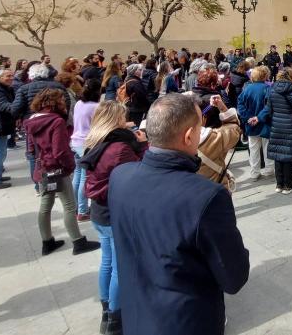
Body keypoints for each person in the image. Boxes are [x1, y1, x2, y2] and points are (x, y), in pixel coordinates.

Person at [109, 93, 250, 334]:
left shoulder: (120, 175)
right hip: (184, 321)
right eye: (199, 127)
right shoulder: (208, 196)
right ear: (188, 136)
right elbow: (233, 277)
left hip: (136, 315)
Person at [81, 101, 147, 333]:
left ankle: (107, 309)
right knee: (121, 266)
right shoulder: (120, 147)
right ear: (115, 120)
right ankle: (116, 319)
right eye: (122, 117)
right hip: (114, 212)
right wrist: (143, 145)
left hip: (99, 209)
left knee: (107, 261)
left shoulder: (94, 141)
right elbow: (139, 175)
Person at [24, 88, 100, 256]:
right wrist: (69, 166)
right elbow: (60, 150)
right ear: (55, 103)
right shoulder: (56, 121)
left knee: (45, 205)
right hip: (57, 167)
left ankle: (47, 241)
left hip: (42, 166)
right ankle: (78, 241)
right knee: (69, 205)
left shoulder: (31, 120)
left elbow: (30, 148)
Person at [265, 68, 292, 193]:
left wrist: (272, 122)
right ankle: (288, 185)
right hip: (291, 125)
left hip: (277, 125)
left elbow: (269, 109)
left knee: (278, 155)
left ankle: (279, 184)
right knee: (288, 155)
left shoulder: (272, 89)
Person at [71, 78, 101, 222]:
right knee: (84, 177)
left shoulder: (78, 103)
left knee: (77, 175)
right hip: (87, 143)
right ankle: (82, 210)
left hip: (76, 141)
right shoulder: (96, 107)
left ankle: (76, 207)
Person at [238, 65, 273, 181]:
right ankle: (269, 170)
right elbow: (269, 106)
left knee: (253, 149)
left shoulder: (246, 89)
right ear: (265, 76)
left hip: (251, 123)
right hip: (264, 122)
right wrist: (258, 117)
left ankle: (254, 172)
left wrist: (248, 118)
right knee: (266, 147)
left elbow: (240, 106)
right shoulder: (267, 88)